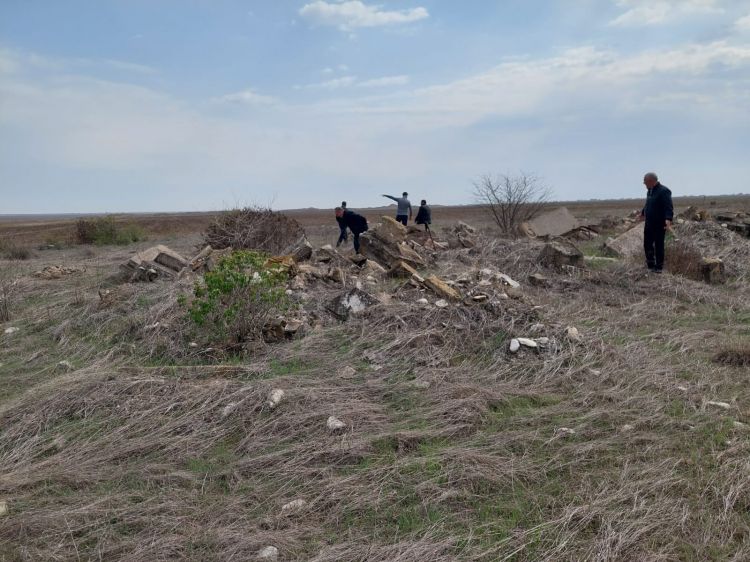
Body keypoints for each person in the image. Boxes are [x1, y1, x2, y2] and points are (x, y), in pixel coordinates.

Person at [640, 172, 673, 273]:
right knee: (647, 244)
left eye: (645, 182)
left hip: (659, 224)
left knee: (659, 246)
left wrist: (668, 219)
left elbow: (669, 207)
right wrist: (642, 213)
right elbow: (648, 204)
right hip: (649, 223)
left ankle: (659, 268)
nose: (644, 184)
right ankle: (650, 265)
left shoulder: (664, 191)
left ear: (651, 181)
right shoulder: (650, 191)